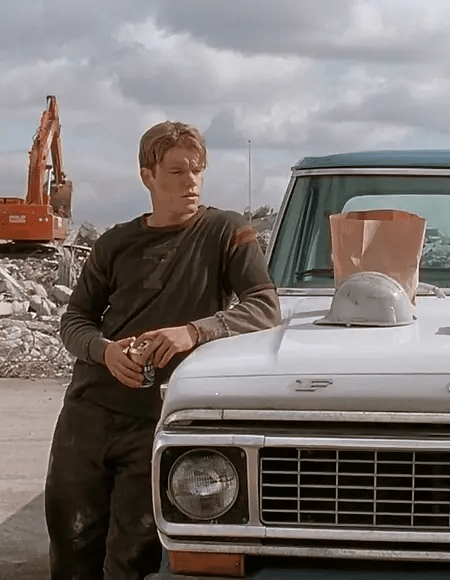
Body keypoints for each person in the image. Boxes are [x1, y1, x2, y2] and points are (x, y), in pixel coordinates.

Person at [45, 121, 282, 580]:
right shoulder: (116, 243)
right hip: (88, 414)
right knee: (72, 545)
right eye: (176, 172)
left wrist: (194, 332)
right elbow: (74, 320)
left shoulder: (226, 232)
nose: (190, 181)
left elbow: (264, 305)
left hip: (157, 420)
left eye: (197, 170)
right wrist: (104, 351)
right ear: (147, 176)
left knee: (133, 557)